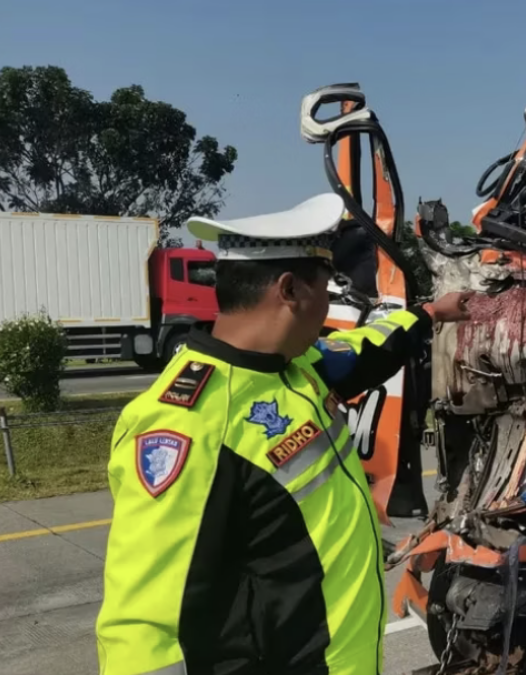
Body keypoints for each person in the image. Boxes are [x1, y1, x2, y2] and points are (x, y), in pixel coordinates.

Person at [95, 193, 472, 675]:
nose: (329, 305)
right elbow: (145, 624)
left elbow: (366, 347)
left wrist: (431, 313)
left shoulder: (295, 367)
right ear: (290, 289)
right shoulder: (187, 425)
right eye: (326, 287)